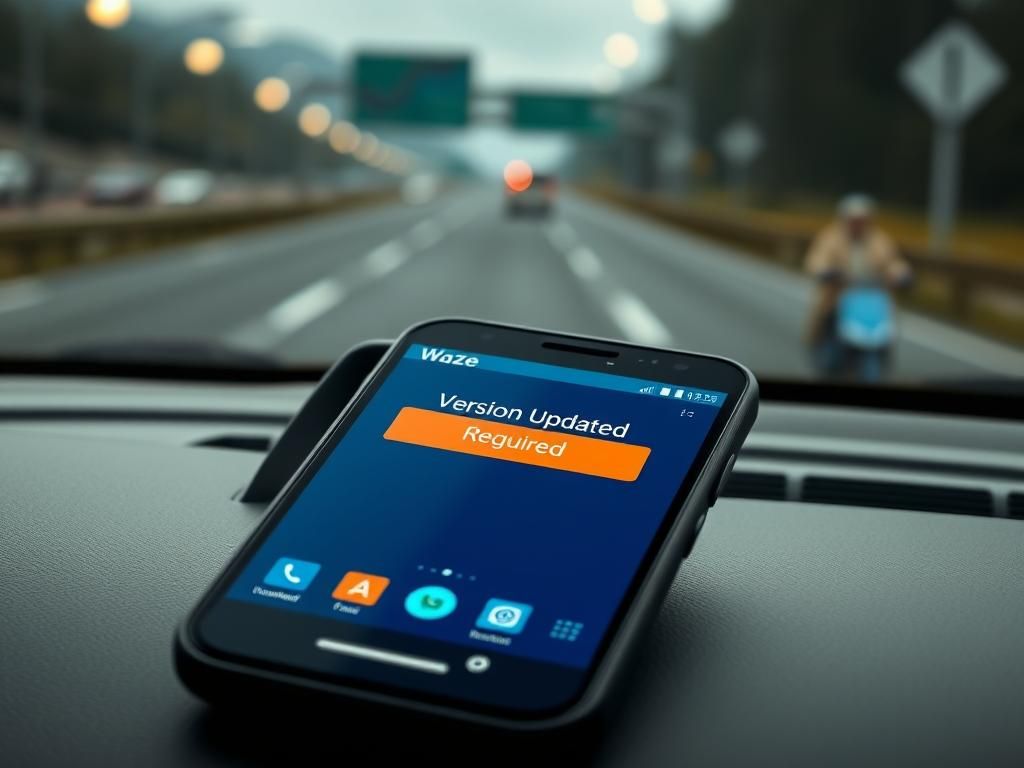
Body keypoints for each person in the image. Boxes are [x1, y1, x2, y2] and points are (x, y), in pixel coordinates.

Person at [804, 194, 911, 375]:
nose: (858, 224)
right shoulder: (831, 237)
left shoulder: (879, 240)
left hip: (871, 301)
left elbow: (893, 262)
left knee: (884, 334)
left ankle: (880, 357)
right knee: (830, 341)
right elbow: (817, 259)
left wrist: (902, 275)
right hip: (838, 300)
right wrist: (826, 272)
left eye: (862, 220)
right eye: (854, 220)